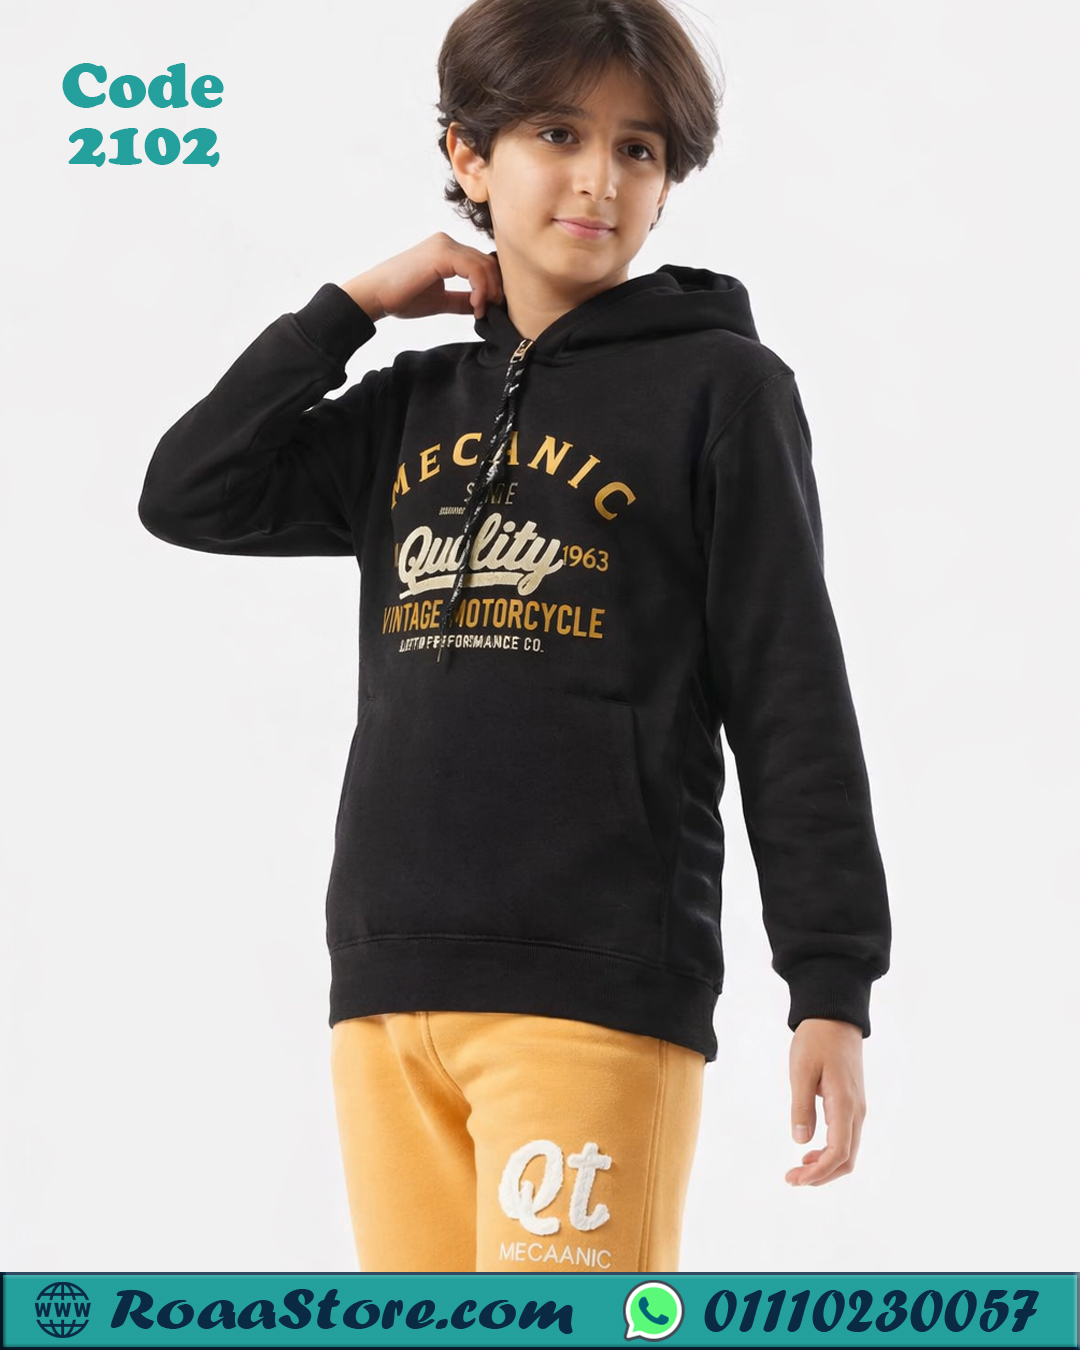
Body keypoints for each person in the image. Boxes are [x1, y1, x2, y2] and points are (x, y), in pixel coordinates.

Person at [138, 0, 891, 1274]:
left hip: (593, 985)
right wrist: (350, 308)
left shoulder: (722, 392)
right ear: (470, 155)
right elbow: (190, 494)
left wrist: (830, 984)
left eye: (640, 148)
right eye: (557, 134)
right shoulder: (409, 409)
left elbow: (788, 688)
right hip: (387, 992)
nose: (601, 178)